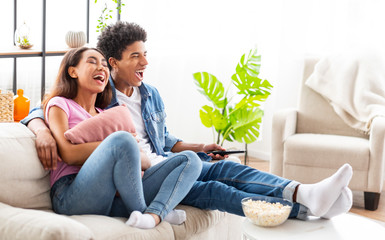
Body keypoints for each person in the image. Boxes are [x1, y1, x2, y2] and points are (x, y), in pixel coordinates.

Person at [22, 22, 353, 221]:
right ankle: (302, 210)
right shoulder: (98, 95)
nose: (145, 62)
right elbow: (46, 108)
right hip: (143, 172)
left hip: (162, 161)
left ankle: (302, 193)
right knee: (212, 189)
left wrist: (199, 147)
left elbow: (164, 140)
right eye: (135, 56)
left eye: (145, 53)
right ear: (114, 64)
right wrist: (40, 131)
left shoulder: (149, 94)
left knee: (224, 168)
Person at [38, 46, 202, 229]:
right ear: (73, 71)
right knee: (122, 139)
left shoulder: (104, 113)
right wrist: (116, 144)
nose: (101, 68)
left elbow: (145, 162)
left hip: (112, 194)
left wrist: (126, 148)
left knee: (190, 159)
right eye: (92, 62)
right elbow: (68, 153)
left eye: (104, 64)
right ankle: (141, 210)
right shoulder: (60, 104)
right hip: (70, 194)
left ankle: (153, 215)